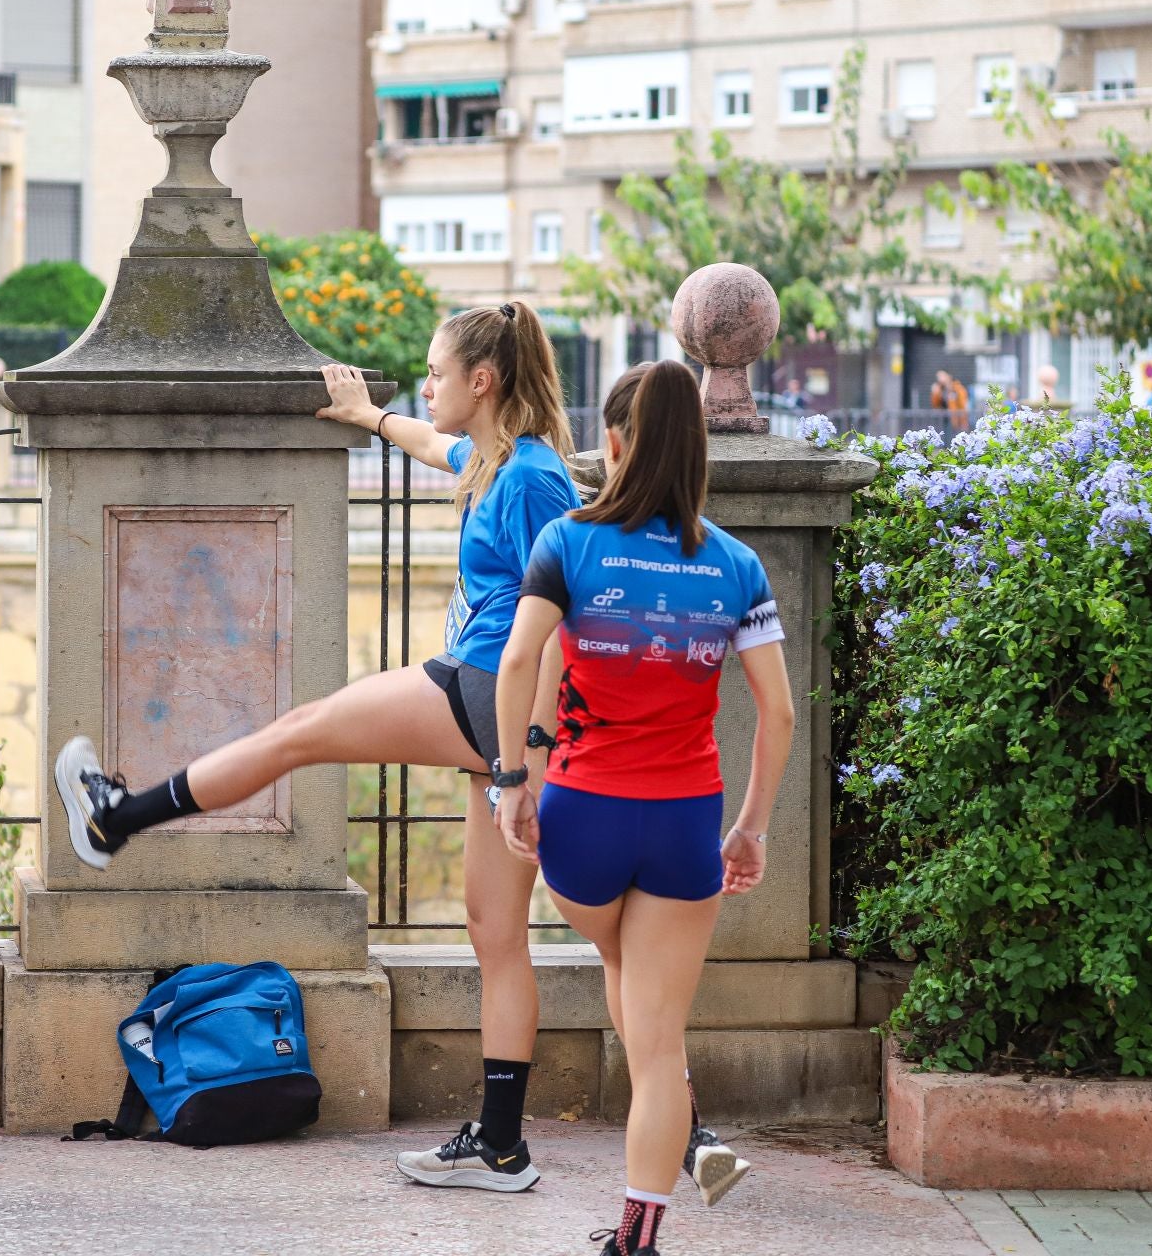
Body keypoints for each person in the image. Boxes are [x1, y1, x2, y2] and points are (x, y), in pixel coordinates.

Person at [51, 301, 579, 1191]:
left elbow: (560, 622)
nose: (428, 385)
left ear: (483, 382)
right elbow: (433, 445)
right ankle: (500, 1144)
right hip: (497, 713)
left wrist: (521, 756)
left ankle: (117, 817)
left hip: (491, 696)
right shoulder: (496, 459)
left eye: (437, 373)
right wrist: (369, 418)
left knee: (299, 733)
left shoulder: (531, 480)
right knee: (496, 933)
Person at [491, 360, 796, 1255]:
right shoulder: (735, 563)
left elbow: (519, 663)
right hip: (684, 822)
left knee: (622, 961)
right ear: (700, 448)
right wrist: (753, 827)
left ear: (615, 443)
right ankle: (639, 1234)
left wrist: (514, 782)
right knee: (659, 1041)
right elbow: (777, 711)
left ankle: (682, 1167)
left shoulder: (570, 542)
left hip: (582, 819)